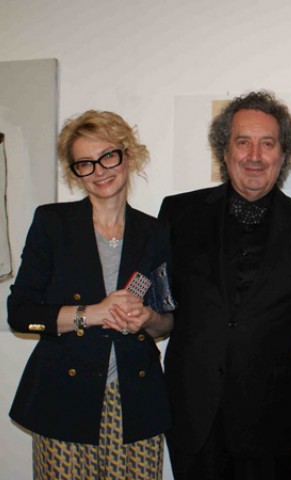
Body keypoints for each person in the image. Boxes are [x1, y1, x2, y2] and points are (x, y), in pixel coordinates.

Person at [159, 90, 291, 480]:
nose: (254, 156)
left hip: (273, 424)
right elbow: (157, 302)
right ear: (224, 151)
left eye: (267, 144)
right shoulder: (178, 215)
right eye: (243, 142)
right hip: (193, 416)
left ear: (283, 156)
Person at [8, 110, 174, 479]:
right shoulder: (52, 224)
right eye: (85, 163)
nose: (99, 171)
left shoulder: (155, 232)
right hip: (64, 400)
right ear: (75, 172)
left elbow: (166, 321)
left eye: (108, 156)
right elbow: (20, 313)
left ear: (127, 155)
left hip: (136, 402)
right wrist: (93, 312)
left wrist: (148, 319)